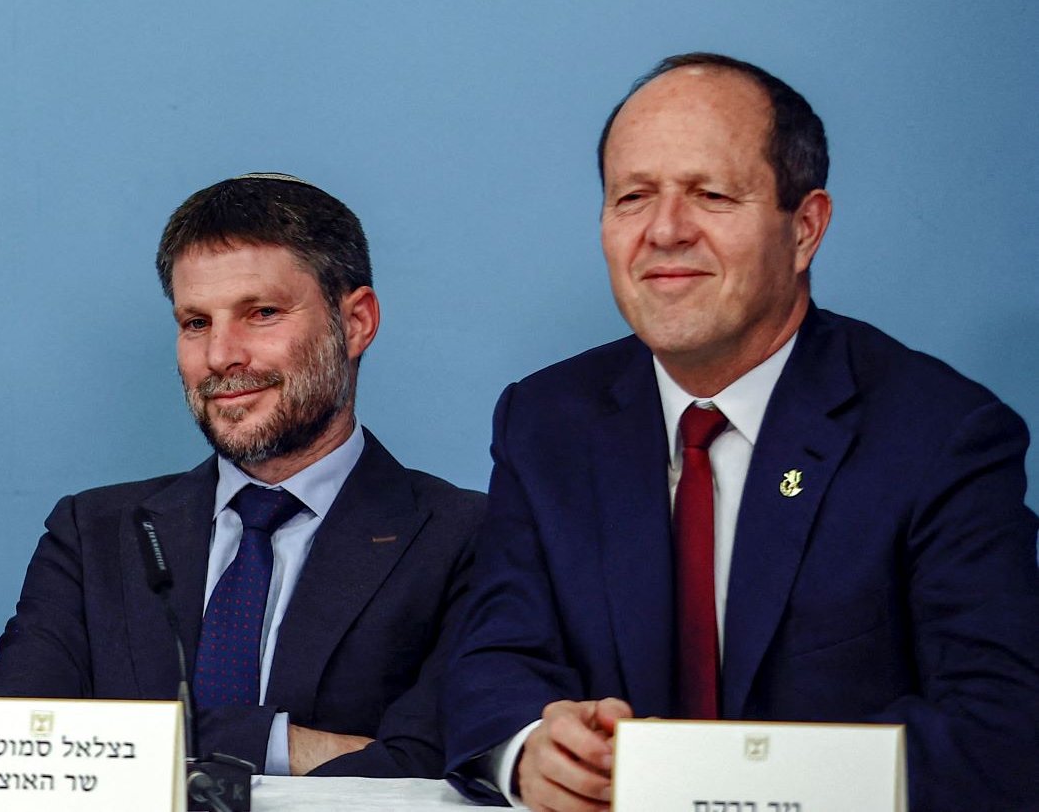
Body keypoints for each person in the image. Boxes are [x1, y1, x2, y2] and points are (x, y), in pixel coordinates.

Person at [445, 53, 1039, 811]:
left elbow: (998, 725)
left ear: (806, 228)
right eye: (632, 197)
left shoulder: (942, 435)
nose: (664, 231)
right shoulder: (546, 419)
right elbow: (492, 659)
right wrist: (530, 749)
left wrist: (712, 783)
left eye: (711, 195)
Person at [0, 174, 484, 778]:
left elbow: (447, 764)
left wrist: (154, 742)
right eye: (196, 322)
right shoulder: (93, 533)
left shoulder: (466, 537)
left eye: (262, 313)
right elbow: (11, 751)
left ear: (355, 323)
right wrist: (302, 746)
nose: (221, 355)